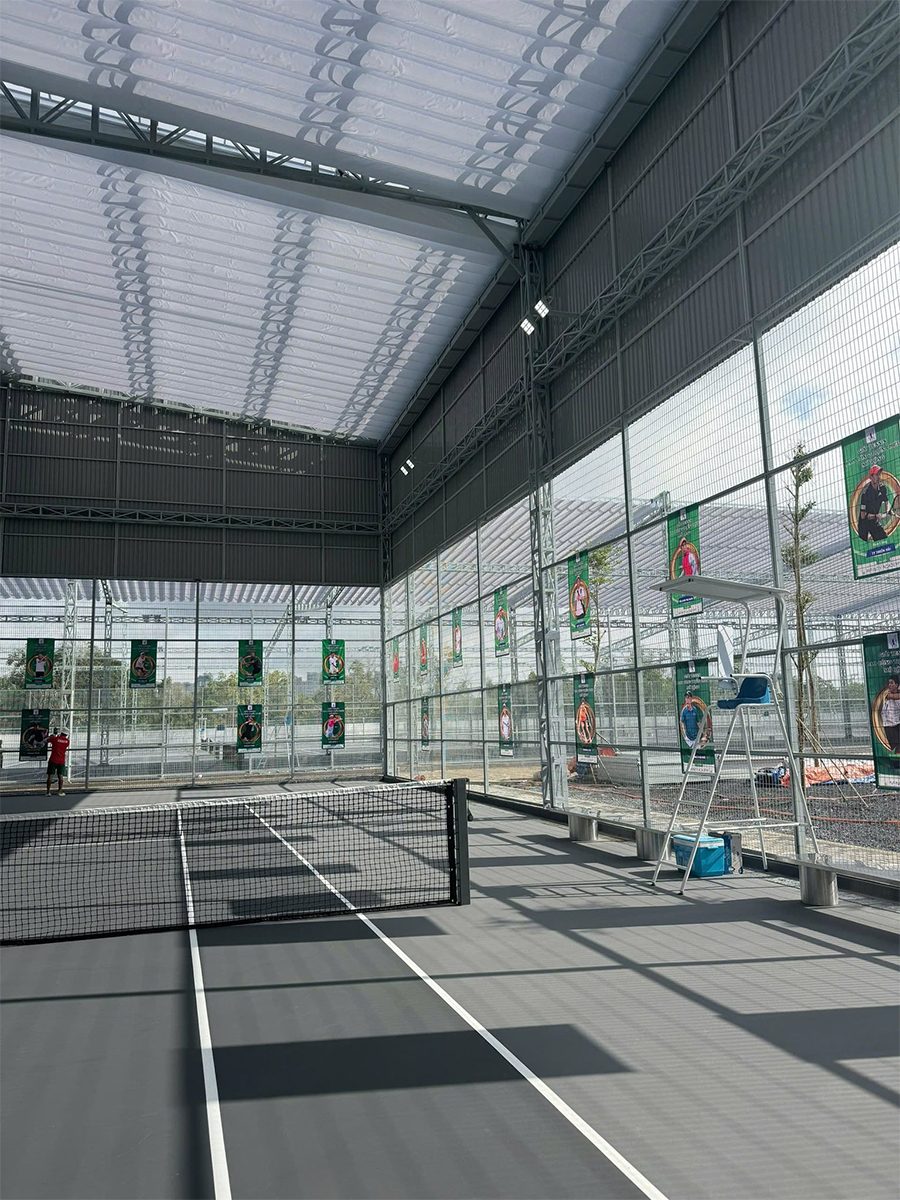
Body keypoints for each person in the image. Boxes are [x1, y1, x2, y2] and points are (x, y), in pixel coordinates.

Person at [858, 465, 889, 542]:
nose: (879, 476)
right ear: (871, 477)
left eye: (879, 474)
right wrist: (876, 515)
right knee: (863, 545)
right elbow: (863, 515)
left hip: (874, 522)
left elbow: (886, 501)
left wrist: (888, 511)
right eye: (876, 474)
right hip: (864, 524)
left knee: (884, 540)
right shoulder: (865, 493)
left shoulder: (882, 488)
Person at [45, 727, 69, 796]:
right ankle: (59, 791)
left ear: (61, 732)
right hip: (61, 761)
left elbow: (47, 740)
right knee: (60, 775)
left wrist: (53, 736)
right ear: (67, 734)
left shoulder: (55, 739)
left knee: (50, 775)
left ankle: (48, 792)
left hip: (53, 759)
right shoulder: (67, 741)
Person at [882, 675, 900, 753]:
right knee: (895, 746)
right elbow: (891, 696)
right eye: (889, 683)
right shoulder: (887, 694)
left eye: (891, 683)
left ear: (896, 685)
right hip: (889, 725)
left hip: (897, 724)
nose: (889, 685)